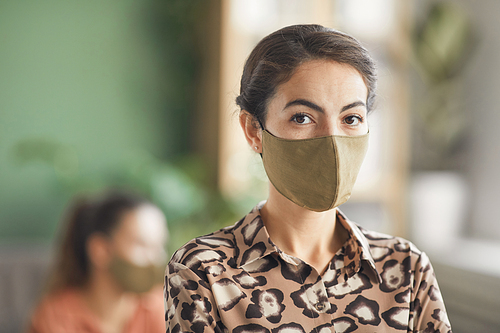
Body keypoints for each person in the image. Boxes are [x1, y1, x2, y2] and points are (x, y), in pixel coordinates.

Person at [165, 24, 452, 333]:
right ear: (253, 130)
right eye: (302, 118)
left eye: (351, 118)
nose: (332, 140)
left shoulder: (407, 268)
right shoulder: (203, 271)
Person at [27, 191, 168, 333]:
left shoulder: (158, 307)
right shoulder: (56, 318)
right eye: (142, 245)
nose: (157, 258)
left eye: (159, 246)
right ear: (101, 250)